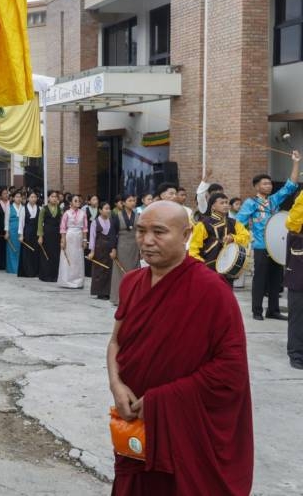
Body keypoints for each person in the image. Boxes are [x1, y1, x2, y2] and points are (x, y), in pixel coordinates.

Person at [107, 201, 253, 494]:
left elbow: (230, 370)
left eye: (159, 232)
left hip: (185, 428)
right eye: (141, 231)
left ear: (186, 234)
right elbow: (116, 342)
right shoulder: (132, 282)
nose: (147, 241)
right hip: (135, 423)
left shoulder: (211, 290)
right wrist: (116, 383)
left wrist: (163, 400)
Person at [236, 151, 300, 320]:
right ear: (256, 186)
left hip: (276, 248)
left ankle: (273, 310)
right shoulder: (250, 203)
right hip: (260, 246)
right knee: (260, 279)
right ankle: (257, 310)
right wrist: (245, 237)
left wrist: (295, 162)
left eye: (270, 184)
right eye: (265, 184)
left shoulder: (273, 200)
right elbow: (239, 221)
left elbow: (290, 185)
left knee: (276, 279)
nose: (269, 186)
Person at [190, 193, 251, 280]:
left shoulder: (234, 222)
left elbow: (246, 237)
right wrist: (201, 265)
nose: (225, 205)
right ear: (213, 206)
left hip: (229, 265)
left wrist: (233, 238)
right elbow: (194, 249)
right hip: (208, 266)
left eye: (226, 202)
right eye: (222, 203)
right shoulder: (203, 224)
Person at [284, 190, 303, 369]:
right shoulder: (296, 224)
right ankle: (296, 354)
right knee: (298, 314)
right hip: (299, 271)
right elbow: (292, 223)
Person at [110, 194, 140, 304]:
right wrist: (113, 249)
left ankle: (131, 298)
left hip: (134, 246)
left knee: (134, 272)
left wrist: (141, 248)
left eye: (134, 200)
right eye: (130, 200)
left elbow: (140, 232)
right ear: (123, 203)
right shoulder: (117, 216)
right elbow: (112, 233)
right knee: (120, 273)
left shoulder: (137, 215)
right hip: (121, 246)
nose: (132, 202)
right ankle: (118, 298)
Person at [88, 202, 117, 300]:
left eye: (109, 208)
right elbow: (92, 237)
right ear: (100, 210)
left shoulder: (112, 221)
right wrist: (92, 251)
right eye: (106, 208)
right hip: (99, 249)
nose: (108, 210)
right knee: (99, 270)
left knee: (108, 270)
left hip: (109, 250)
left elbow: (114, 236)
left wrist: (114, 249)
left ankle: (107, 292)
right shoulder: (95, 222)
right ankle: (99, 291)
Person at [58, 195, 87, 289]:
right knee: (68, 257)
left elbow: (85, 228)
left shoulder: (83, 213)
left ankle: (78, 281)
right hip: (69, 236)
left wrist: (84, 240)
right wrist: (63, 240)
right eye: (75, 200)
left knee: (78, 258)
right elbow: (62, 228)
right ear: (70, 202)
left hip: (79, 237)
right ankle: (67, 280)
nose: (78, 202)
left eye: (79, 200)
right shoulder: (66, 213)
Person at [37, 191, 62, 282]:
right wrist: (40, 236)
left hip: (56, 234)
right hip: (46, 233)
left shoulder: (60, 209)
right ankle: (45, 275)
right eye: (52, 196)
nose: (54, 198)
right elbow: (40, 223)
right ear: (48, 198)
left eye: (56, 197)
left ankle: (55, 275)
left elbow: (62, 223)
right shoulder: (44, 209)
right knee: (46, 254)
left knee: (56, 254)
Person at [5, 191, 24, 275]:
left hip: (21, 230)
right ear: (13, 198)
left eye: (20, 197)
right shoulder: (9, 207)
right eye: (16, 196)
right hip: (12, 230)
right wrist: (7, 232)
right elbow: (6, 220)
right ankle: (12, 269)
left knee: (20, 249)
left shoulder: (23, 207)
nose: (18, 198)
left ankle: (19, 268)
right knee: (12, 249)